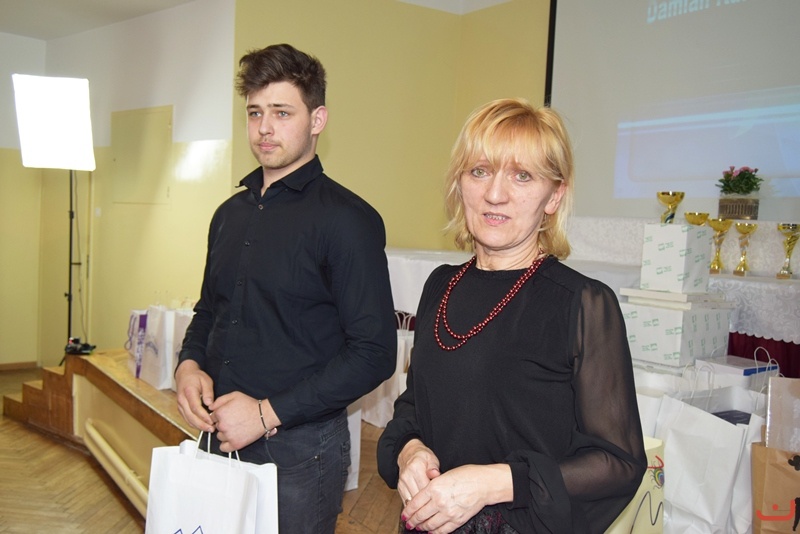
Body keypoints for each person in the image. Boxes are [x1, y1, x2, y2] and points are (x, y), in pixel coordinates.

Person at [377, 98, 647, 534]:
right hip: (430, 522)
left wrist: (493, 483)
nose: (495, 194)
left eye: (522, 176)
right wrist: (410, 450)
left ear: (554, 196)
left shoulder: (582, 303)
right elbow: (415, 405)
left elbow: (618, 464)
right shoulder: (441, 286)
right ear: (459, 183)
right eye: (479, 171)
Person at [176, 43, 397, 533]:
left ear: (317, 119)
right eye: (255, 112)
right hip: (217, 433)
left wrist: (265, 413)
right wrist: (189, 364)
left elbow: (375, 353)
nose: (264, 128)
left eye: (281, 112)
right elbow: (210, 311)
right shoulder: (228, 215)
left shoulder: (348, 220)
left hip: (299, 451)